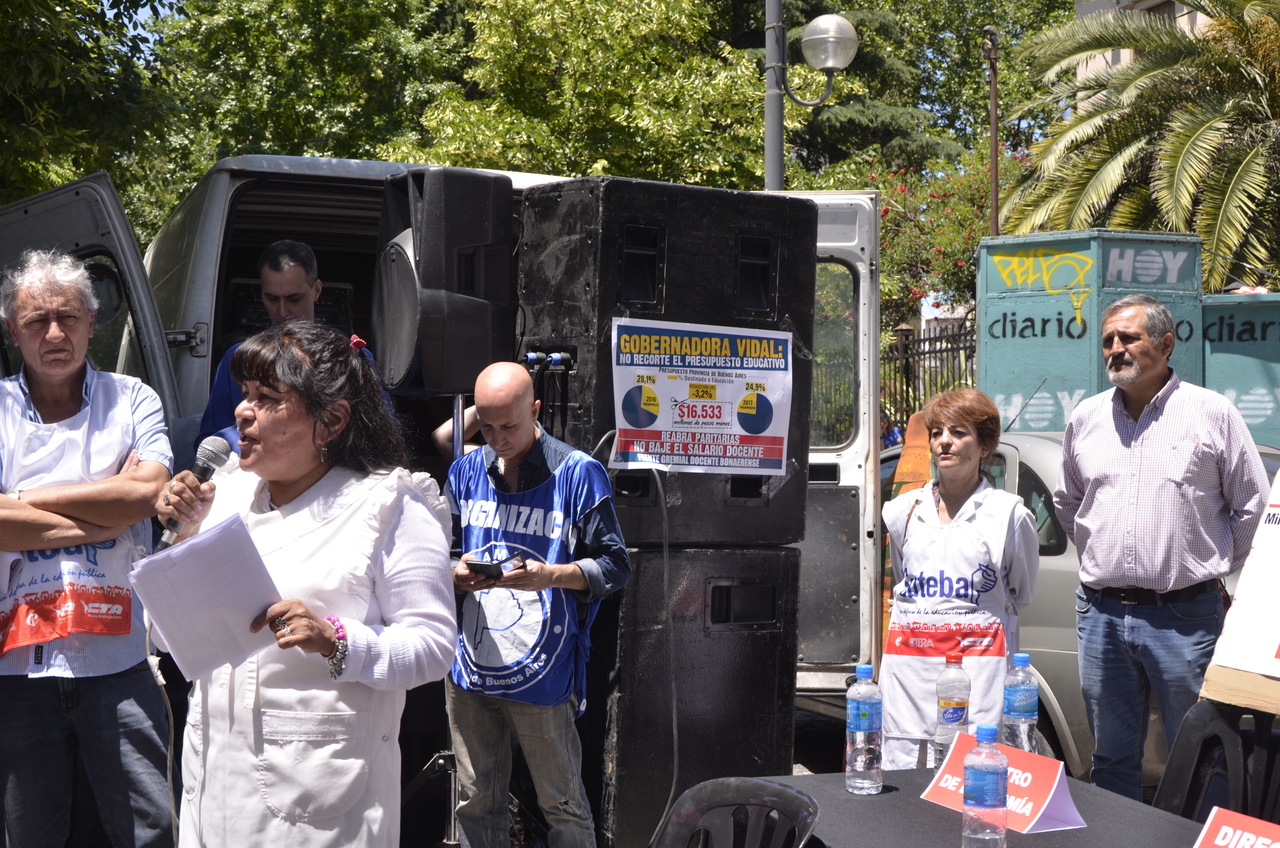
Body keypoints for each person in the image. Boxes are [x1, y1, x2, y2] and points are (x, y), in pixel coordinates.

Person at [155, 322, 457, 847]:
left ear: (331, 420)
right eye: (246, 393)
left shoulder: (390, 505)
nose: (242, 411)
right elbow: (165, 638)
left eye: (268, 398)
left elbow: (433, 647)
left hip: (320, 806)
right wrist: (182, 540)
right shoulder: (223, 494)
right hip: (214, 792)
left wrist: (337, 641)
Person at [1054, 293, 1268, 800]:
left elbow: (1252, 506)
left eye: (1129, 337)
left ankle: (1196, 835)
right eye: (1108, 340)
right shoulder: (1086, 418)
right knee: (1111, 758)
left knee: (1202, 756)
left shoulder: (1211, 413)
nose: (1115, 349)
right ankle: (1117, 836)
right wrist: (1104, 559)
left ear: (1166, 344)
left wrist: (1207, 566)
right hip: (1101, 616)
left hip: (1185, 617)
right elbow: (1069, 503)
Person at [0, 249, 175, 847]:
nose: (54, 334)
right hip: (18, 665)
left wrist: (20, 502)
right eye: (36, 321)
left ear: (92, 322)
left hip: (121, 660)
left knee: (150, 829)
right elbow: (128, 502)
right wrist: (104, 519)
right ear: (12, 331)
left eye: (68, 317)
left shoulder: (132, 399)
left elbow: (148, 492)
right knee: (32, 834)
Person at [445, 361, 630, 848]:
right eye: (486, 427)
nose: (497, 439)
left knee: (562, 804)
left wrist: (550, 575)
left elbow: (616, 565)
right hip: (471, 668)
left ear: (536, 410)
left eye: (508, 426)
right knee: (474, 799)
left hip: (542, 672)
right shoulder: (465, 471)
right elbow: (439, 553)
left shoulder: (578, 473)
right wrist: (456, 574)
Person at [879, 388, 1039, 770]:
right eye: (937, 433)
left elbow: (1020, 592)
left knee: (971, 778)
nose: (944, 442)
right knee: (904, 785)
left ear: (985, 446)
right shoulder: (902, 512)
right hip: (908, 677)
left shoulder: (1009, 516)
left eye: (958, 432)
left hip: (979, 674)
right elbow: (906, 581)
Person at [196, 240, 325, 452]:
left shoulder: (349, 359)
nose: (282, 311)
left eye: (294, 298)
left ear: (317, 290)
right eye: (271, 298)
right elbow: (211, 443)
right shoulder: (237, 358)